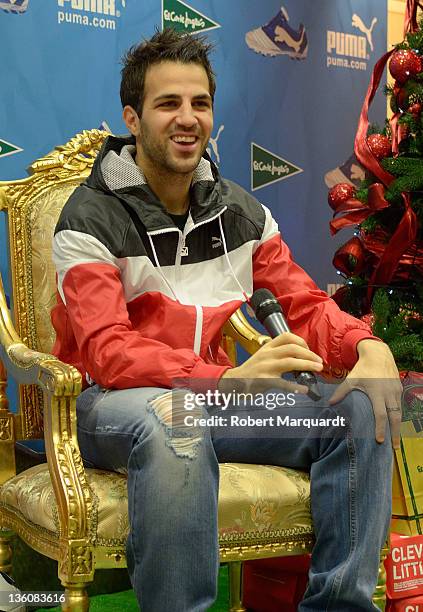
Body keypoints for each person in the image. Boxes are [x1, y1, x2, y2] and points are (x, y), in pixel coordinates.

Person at [51, 28, 402, 612]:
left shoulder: (241, 211)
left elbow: (306, 306)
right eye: (168, 104)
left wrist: (369, 347)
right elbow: (108, 351)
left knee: (360, 408)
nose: (187, 119)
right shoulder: (89, 217)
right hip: (111, 402)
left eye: (200, 103)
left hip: (214, 396)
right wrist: (223, 381)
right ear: (132, 119)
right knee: (175, 423)